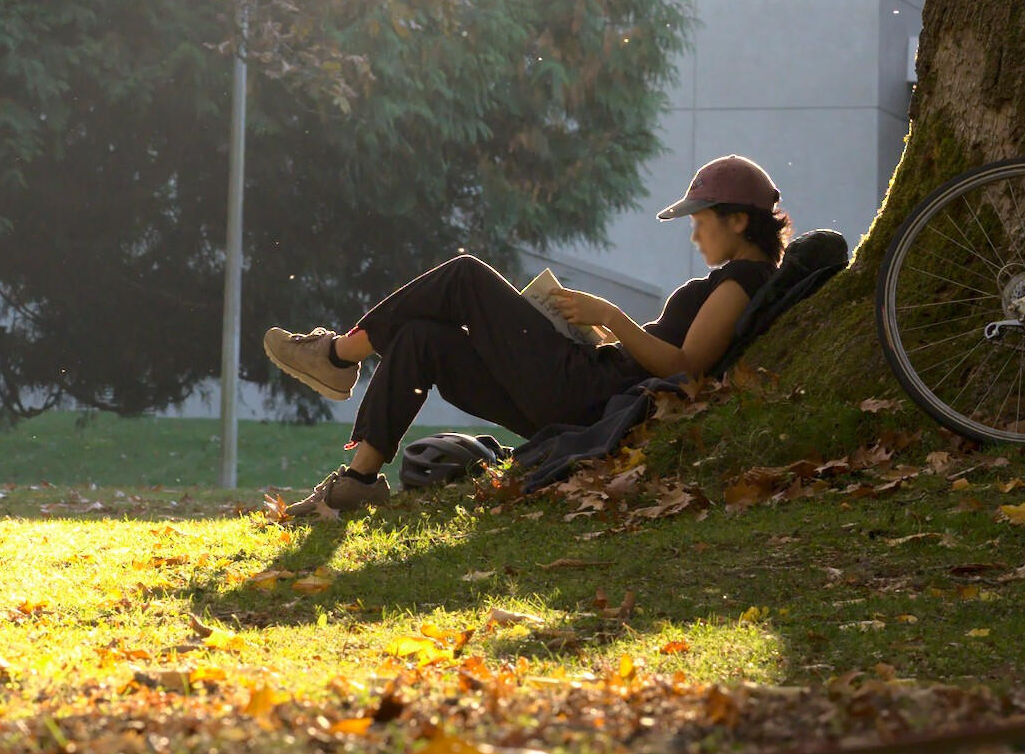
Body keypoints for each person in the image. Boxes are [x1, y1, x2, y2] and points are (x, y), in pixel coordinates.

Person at [263, 155, 790, 517]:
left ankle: (337, 354)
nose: (695, 232)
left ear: (739, 220)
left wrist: (611, 316)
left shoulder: (743, 281)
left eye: (702, 219)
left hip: (585, 394)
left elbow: (687, 366)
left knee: (465, 276)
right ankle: (359, 480)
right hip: (582, 394)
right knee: (425, 337)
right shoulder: (736, 280)